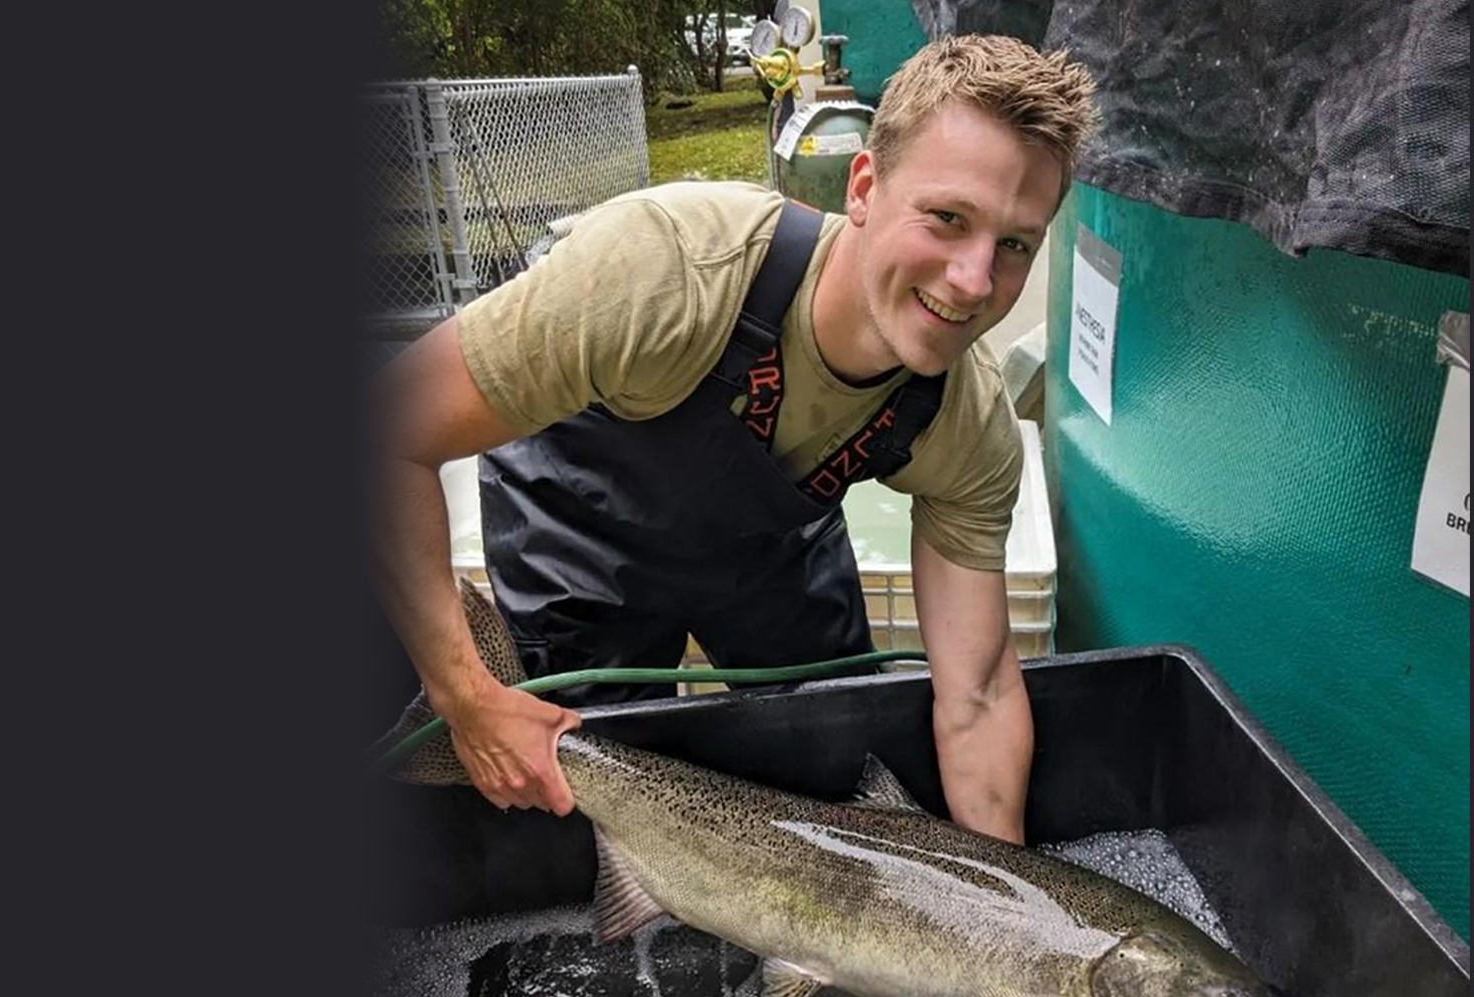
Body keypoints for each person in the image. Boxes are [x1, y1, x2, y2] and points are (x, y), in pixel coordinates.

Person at [372, 35, 1100, 844]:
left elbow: (981, 693)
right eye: (947, 218)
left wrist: (1004, 911)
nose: (972, 281)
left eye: (1013, 246)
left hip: (769, 546)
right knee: (580, 793)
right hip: (579, 525)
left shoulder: (967, 425)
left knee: (836, 769)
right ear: (864, 186)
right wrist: (465, 697)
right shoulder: (664, 274)